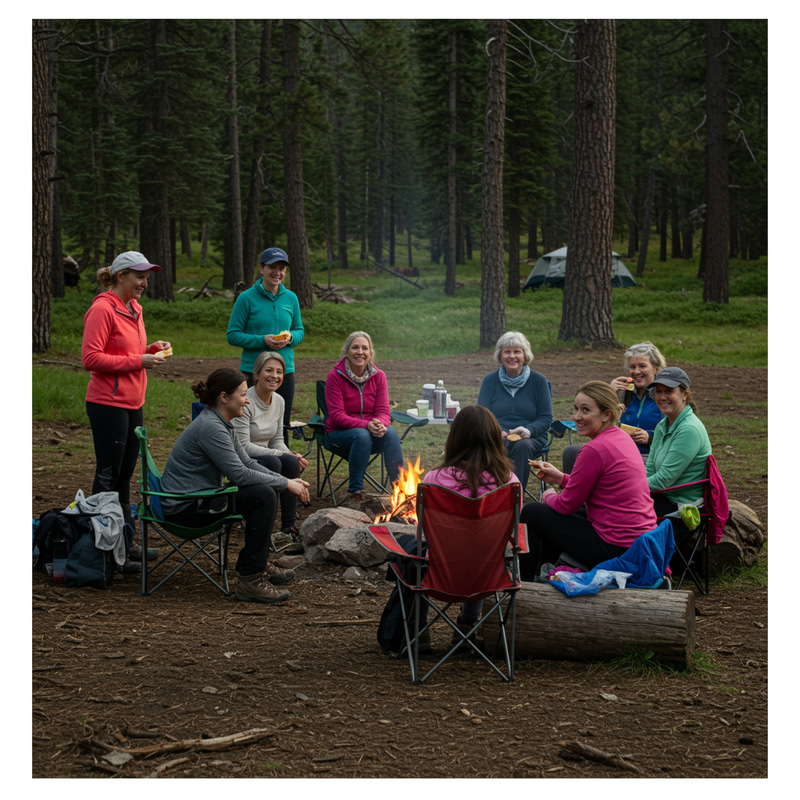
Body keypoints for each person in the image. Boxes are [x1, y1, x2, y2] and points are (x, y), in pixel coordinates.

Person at [159, 368, 311, 604]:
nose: (247, 400)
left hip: (199, 500)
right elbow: (239, 474)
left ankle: (256, 564)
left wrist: (287, 481)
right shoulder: (211, 426)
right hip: (186, 508)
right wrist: (285, 483)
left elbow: (247, 462)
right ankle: (251, 580)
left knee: (265, 491)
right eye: (242, 395)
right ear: (224, 397)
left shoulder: (222, 422)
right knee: (263, 496)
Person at [81, 251, 171, 564]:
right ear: (121, 276)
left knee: (124, 477)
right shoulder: (102, 308)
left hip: (133, 403)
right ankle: (100, 550)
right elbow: (91, 358)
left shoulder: (134, 308)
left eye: (146, 278)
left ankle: (124, 542)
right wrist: (138, 360)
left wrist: (152, 350)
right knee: (108, 476)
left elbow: (127, 351)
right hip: (107, 404)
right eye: (139, 277)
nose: (144, 283)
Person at [519, 381, 657, 581]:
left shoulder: (594, 449)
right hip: (640, 542)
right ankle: (547, 570)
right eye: (576, 409)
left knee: (532, 512)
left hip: (615, 546)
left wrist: (548, 495)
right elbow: (598, 487)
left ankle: (526, 582)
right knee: (557, 515)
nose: (577, 416)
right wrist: (561, 478)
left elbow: (566, 505)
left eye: (585, 410)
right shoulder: (621, 437)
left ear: (606, 414)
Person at [422, 405, 521, 637]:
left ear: (454, 439)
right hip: (489, 575)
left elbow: (425, 527)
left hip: (440, 572)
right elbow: (513, 526)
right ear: (495, 440)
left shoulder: (433, 481)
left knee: (408, 552)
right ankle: (467, 625)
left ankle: (418, 630)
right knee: (482, 550)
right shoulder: (509, 483)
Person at [226, 247, 304, 444]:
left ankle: (282, 460)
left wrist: (290, 338)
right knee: (249, 425)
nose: (277, 273)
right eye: (272, 267)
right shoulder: (246, 298)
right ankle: (248, 462)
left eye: (282, 269)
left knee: (281, 426)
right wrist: (262, 340)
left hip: (284, 372)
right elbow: (233, 335)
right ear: (261, 269)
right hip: (252, 372)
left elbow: (299, 330)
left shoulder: (291, 298)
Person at [232, 351, 309, 539]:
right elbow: (243, 446)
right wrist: (280, 454)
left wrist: (290, 454)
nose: (274, 376)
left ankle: (288, 528)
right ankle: (264, 525)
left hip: (269, 456)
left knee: (291, 462)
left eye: (279, 372)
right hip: (243, 460)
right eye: (269, 370)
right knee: (275, 462)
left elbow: (277, 440)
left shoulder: (279, 401)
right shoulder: (246, 401)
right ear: (257, 374)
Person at [562, 341, 667, 472]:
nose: (636, 371)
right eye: (632, 367)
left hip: (650, 456)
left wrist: (649, 437)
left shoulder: (663, 396)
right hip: (618, 451)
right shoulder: (624, 393)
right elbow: (601, 423)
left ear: (655, 369)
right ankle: (573, 486)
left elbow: (675, 432)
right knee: (571, 452)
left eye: (642, 366)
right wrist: (610, 394)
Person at [324, 331, 404, 504]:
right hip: (340, 433)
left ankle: (401, 489)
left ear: (370, 353)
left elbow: (383, 411)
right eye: (355, 347)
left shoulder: (379, 376)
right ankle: (356, 491)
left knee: (390, 433)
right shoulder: (335, 377)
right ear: (347, 351)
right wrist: (366, 425)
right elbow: (337, 416)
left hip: (370, 432)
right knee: (362, 435)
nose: (360, 352)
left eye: (364, 348)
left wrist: (380, 424)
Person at [477, 331, 552, 491]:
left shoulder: (539, 381)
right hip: (497, 435)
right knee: (493, 445)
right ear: (500, 355)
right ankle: (490, 493)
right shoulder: (489, 381)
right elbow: (482, 416)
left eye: (517, 351)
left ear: (525, 355)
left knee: (522, 446)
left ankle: (514, 496)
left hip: (531, 437)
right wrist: (496, 431)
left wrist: (528, 430)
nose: (512, 356)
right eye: (507, 352)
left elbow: (546, 418)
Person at [646, 367, 712, 516]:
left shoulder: (689, 429)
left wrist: (630, 486)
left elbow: (663, 480)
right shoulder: (662, 425)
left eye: (668, 391)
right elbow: (650, 468)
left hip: (681, 506)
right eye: (658, 391)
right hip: (662, 496)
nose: (662, 397)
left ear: (685, 394)